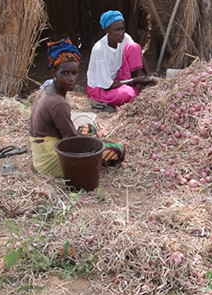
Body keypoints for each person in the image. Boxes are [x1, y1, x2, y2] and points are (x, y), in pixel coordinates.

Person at [29, 38, 125, 178]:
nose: (71, 78)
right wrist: (98, 144)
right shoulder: (57, 103)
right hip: (51, 162)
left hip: (42, 153)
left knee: (88, 128)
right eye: (65, 73)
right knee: (118, 150)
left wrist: (89, 137)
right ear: (54, 73)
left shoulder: (45, 90)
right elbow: (71, 141)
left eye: (74, 73)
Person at [86, 10, 155, 111]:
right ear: (107, 31)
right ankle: (133, 86)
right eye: (116, 30)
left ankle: (133, 85)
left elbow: (139, 54)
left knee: (134, 47)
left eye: (123, 29)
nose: (121, 33)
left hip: (118, 77)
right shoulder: (100, 49)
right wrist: (135, 80)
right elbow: (107, 85)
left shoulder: (125, 38)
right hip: (100, 88)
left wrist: (148, 73)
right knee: (130, 94)